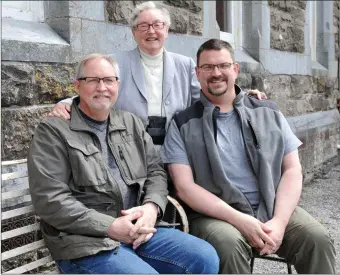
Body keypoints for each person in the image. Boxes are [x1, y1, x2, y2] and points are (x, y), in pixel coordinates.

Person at [28, 53, 219, 274]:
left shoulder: (130, 123)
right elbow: (50, 199)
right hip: (85, 242)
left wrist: (151, 208)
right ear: (77, 86)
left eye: (109, 80)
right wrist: (109, 226)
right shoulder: (53, 131)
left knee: (203, 257)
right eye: (93, 80)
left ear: (118, 85)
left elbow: (155, 171)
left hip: (138, 230)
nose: (102, 87)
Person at [161, 39, 336, 274]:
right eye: (208, 67)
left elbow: (293, 170)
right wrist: (240, 220)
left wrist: (280, 222)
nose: (216, 73)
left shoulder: (268, 112)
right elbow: (184, 187)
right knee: (228, 245)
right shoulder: (182, 123)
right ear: (197, 73)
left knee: (317, 238)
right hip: (216, 216)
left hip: (272, 206)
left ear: (235, 69)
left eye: (223, 65)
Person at [49, 1, 266, 145]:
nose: (151, 31)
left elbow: (210, 93)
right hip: (128, 144)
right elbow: (97, 90)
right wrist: (67, 103)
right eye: (143, 26)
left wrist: (242, 96)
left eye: (157, 25)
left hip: (176, 144)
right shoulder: (116, 62)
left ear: (166, 30)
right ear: (134, 32)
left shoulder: (184, 64)